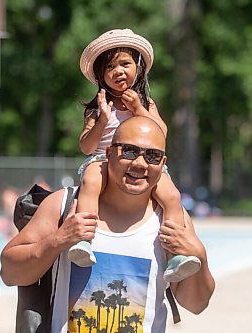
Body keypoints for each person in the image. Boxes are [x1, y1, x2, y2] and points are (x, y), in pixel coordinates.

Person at [0, 116, 215, 332]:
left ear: (163, 164)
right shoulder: (64, 205)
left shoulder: (172, 219)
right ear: (109, 153)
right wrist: (59, 239)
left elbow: (196, 304)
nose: (140, 164)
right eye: (129, 151)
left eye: (152, 156)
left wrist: (200, 255)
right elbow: (9, 273)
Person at [71, 28, 201, 283]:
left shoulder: (146, 103)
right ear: (101, 75)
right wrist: (103, 120)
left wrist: (139, 109)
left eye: (125, 64)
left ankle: (175, 253)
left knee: (172, 196)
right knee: (90, 182)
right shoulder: (97, 109)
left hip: (144, 162)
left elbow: (161, 133)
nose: (118, 71)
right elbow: (86, 146)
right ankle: (84, 240)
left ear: (138, 69)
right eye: (110, 67)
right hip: (103, 160)